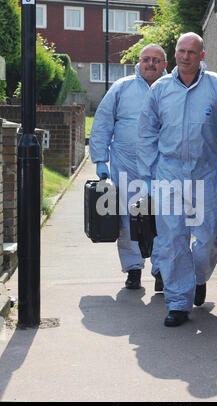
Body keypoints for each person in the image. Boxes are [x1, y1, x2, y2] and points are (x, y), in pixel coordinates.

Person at [137, 33, 217, 326]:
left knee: (211, 235)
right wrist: (149, 175)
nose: (185, 56)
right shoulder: (161, 90)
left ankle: (198, 277)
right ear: (174, 53)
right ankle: (178, 303)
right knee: (172, 239)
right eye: (181, 51)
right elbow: (146, 133)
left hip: (205, 175)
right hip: (169, 174)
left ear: (201, 56)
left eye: (192, 52)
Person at [89, 44, 168, 291]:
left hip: (160, 165)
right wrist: (100, 159)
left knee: (162, 219)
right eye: (147, 59)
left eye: (157, 60)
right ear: (139, 62)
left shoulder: (173, 89)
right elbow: (102, 122)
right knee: (126, 218)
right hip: (125, 164)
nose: (151, 64)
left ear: (165, 64)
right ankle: (133, 269)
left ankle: (161, 271)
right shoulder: (122, 87)